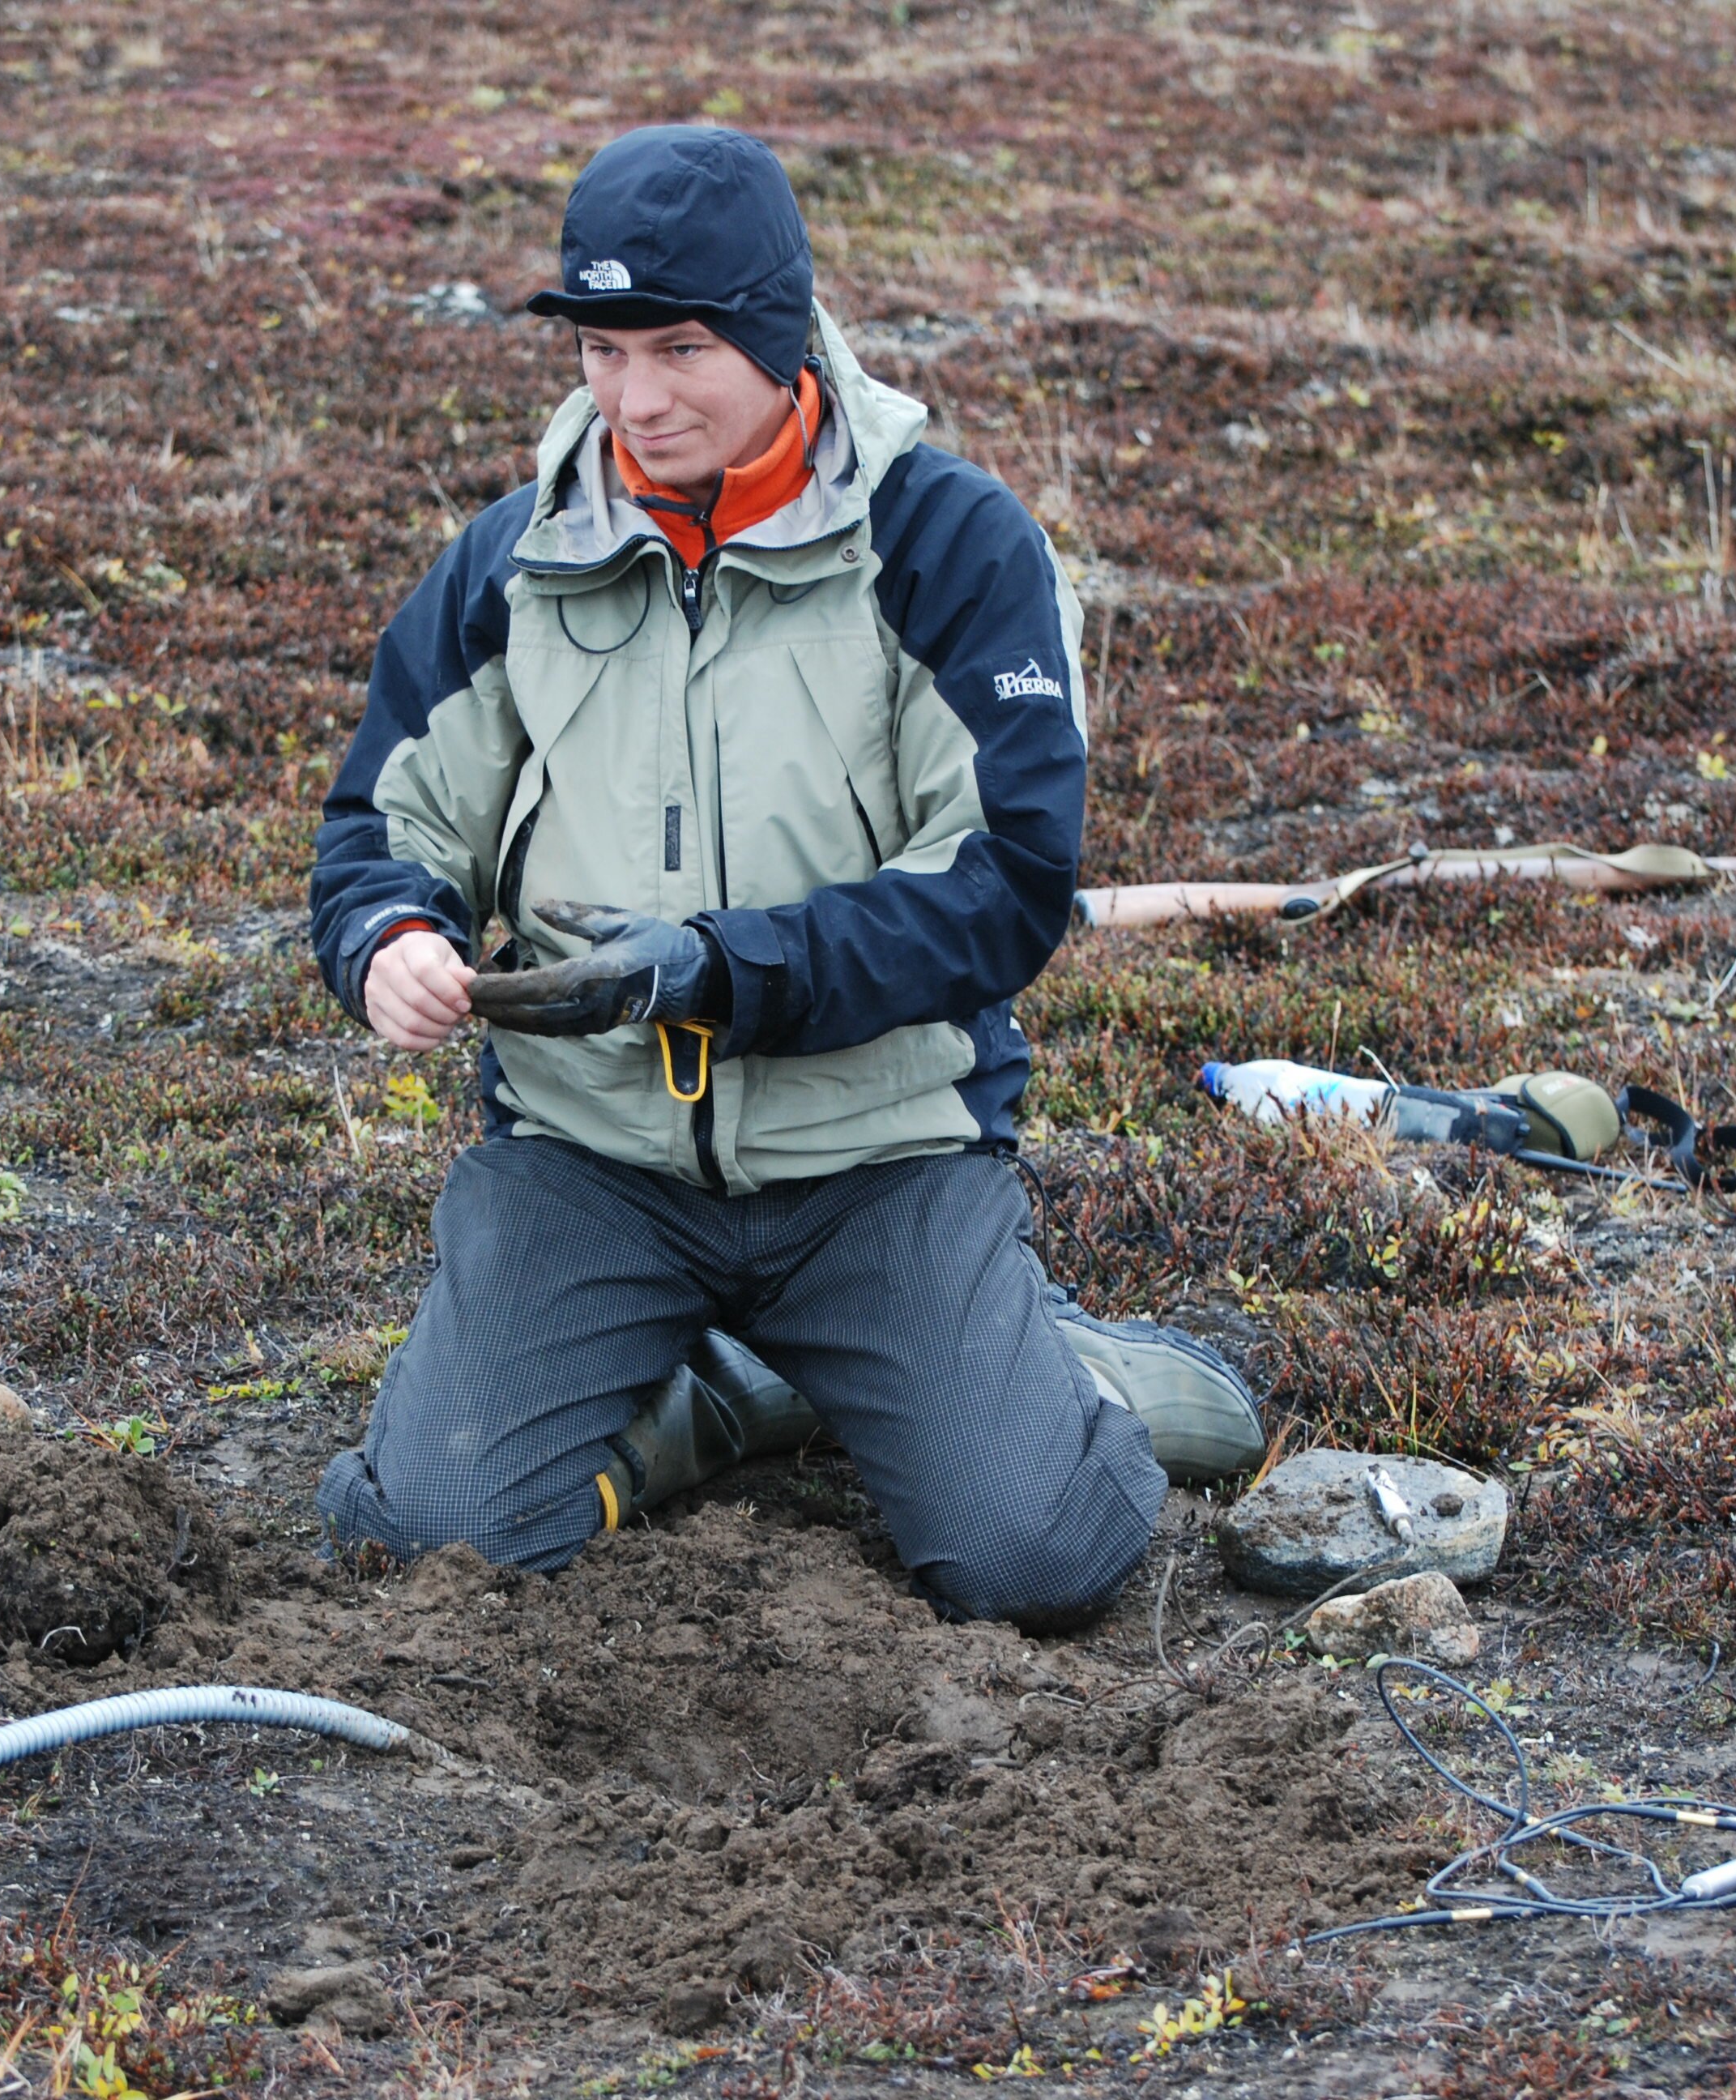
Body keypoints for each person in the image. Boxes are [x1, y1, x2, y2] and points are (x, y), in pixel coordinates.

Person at [306, 126, 1264, 1628]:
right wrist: (386, 933)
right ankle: (739, 1385)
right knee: (433, 1535)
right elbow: (381, 821)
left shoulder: (947, 546)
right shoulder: (514, 562)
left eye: (680, 347)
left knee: (1037, 1560)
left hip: (874, 1162)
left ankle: (1058, 1365)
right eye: (604, 349)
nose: (634, 398)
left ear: (779, 332)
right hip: (586, 1161)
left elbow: (1011, 884)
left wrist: (722, 972)